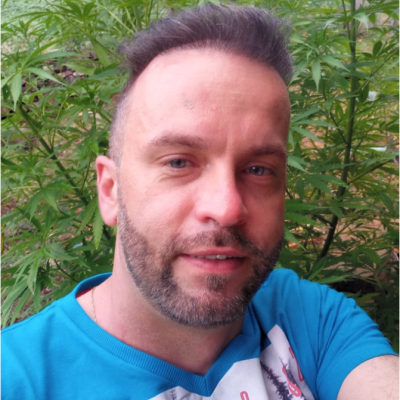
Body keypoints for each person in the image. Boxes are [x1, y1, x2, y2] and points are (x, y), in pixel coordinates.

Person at [0, 4, 398, 400]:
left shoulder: (309, 318)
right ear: (110, 190)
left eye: (258, 169)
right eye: (178, 162)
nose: (227, 208)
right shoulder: (18, 379)